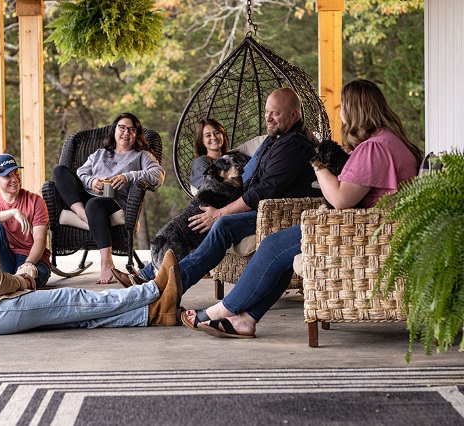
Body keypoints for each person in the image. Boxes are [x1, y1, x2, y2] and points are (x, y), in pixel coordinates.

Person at [181, 79, 423, 338]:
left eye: (343, 107)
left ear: (355, 110)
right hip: (370, 227)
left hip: (362, 234)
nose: (340, 113)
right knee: (282, 253)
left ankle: (223, 309)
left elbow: (341, 199)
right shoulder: (390, 142)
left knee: (273, 246)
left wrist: (319, 165)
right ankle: (246, 319)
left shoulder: (374, 147)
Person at [0, 153, 181, 336]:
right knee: (73, 299)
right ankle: (153, 290)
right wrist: (26, 280)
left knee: (75, 315)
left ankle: (154, 314)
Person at [112, 87, 322, 290]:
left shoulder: (295, 145)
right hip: (259, 205)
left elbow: (263, 192)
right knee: (197, 220)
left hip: (277, 212)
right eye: (267, 112)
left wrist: (221, 212)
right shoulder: (275, 139)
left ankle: (167, 287)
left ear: (294, 115)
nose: (267, 118)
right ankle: (147, 276)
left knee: (222, 225)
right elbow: (249, 177)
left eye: (275, 113)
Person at [52, 112, 165, 284]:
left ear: (136, 135)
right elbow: (81, 172)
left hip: (113, 200)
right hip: (88, 193)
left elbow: (158, 175)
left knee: (94, 205)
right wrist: (92, 181)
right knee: (59, 171)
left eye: (131, 130)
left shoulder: (142, 155)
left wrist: (128, 176)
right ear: (114, 130)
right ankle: (81, 213)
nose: (126, 133)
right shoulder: (100, 154)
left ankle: (106, 262)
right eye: (122, 128)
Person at [0, 153, 51, 288]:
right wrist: (13, 213)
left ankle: (12, 283)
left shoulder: (35, 201)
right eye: (7, 176)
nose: (14, 179)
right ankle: (11, 282)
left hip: (33, 259)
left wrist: (28, 263)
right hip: (5, 259)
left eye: (16, 173)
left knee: (31, 277)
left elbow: (40, 240)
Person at [189, 118, 230, 194]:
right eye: (208, 135)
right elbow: (208, 186)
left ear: (223, 135)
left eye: (217, 133)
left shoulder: (233, 156)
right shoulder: (201, 161)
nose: (214, 137)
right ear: (202, 141)